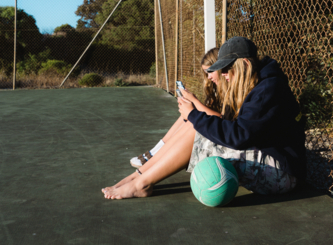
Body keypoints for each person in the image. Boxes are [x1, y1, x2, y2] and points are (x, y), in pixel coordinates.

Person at [102, 36, 306, 200]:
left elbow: (240, 135)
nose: (223, 74)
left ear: (243, 64)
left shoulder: (267, 89)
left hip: (281, 175)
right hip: (271, 161)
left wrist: (194, 114)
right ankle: (137, 176)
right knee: (196, 123)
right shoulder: (261, 84)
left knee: (197, 127)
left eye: (227, 68)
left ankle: (141, 184)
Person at [129, 47, 223, 169]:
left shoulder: (231, 88)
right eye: (206, 73)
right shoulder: (218, 87)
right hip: (219, 131)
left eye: (211, 71)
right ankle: (154, 153)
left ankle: (153, 159)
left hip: (223, 136)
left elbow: (221, 120)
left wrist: (194, 101)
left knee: (193, 119)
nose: (208, 77)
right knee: (189, 115)